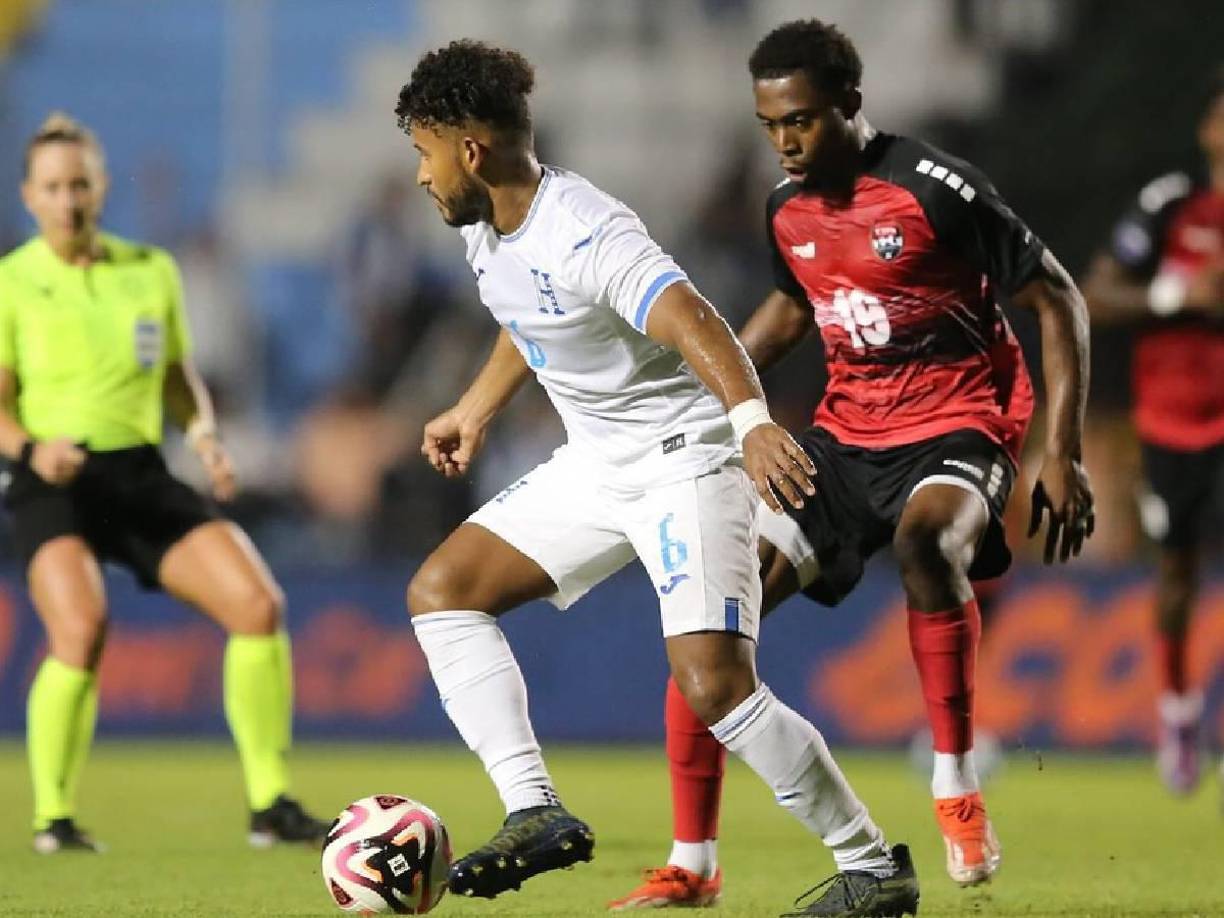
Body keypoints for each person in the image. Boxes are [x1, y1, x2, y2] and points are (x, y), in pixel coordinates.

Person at [397, 40, 920, 918]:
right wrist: (476, 410)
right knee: (443, 592)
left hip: (684, 462)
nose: (420, 174)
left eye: (424, 150)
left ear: (470, 150)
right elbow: (528, 319)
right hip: (600, 465)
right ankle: (535, 809)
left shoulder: (586, 230)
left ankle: (871, 866)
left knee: (715, 687)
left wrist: (750, 425)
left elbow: (695, 320)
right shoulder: (490, 228)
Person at [608, 19, 1094, 908]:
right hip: (842, 440)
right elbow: (795, 313)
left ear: (850, 107)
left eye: (800, 120)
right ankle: (693, 862)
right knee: (712, 621)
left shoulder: (935, 189)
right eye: (770, 125)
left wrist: (1060, 448)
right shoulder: (786, 211)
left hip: (958, 424)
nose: (784, 142)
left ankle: (954, 782)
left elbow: (1056, 296)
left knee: (925, 546)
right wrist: (710, 398)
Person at [0, 114, 327, 853]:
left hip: (140, 472)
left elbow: (180, 377)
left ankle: (269, 805)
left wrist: (205, 434)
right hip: (53, 480)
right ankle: (53, 817)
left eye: (79, 183)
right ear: (29, 196)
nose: (68, 199)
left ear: (101, 186)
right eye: (52, 187)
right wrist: (29, 448)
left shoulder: (150, 270)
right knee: (80, 629)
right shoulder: (12, 282)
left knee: (257, 604)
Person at [1081, 75, 1224, 795]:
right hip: (1178, 420)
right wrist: (1176, 294)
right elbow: (1096, 292)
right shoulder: (1171, 204)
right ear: (1210, 129)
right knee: (1178, 569)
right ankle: (1177, 709)